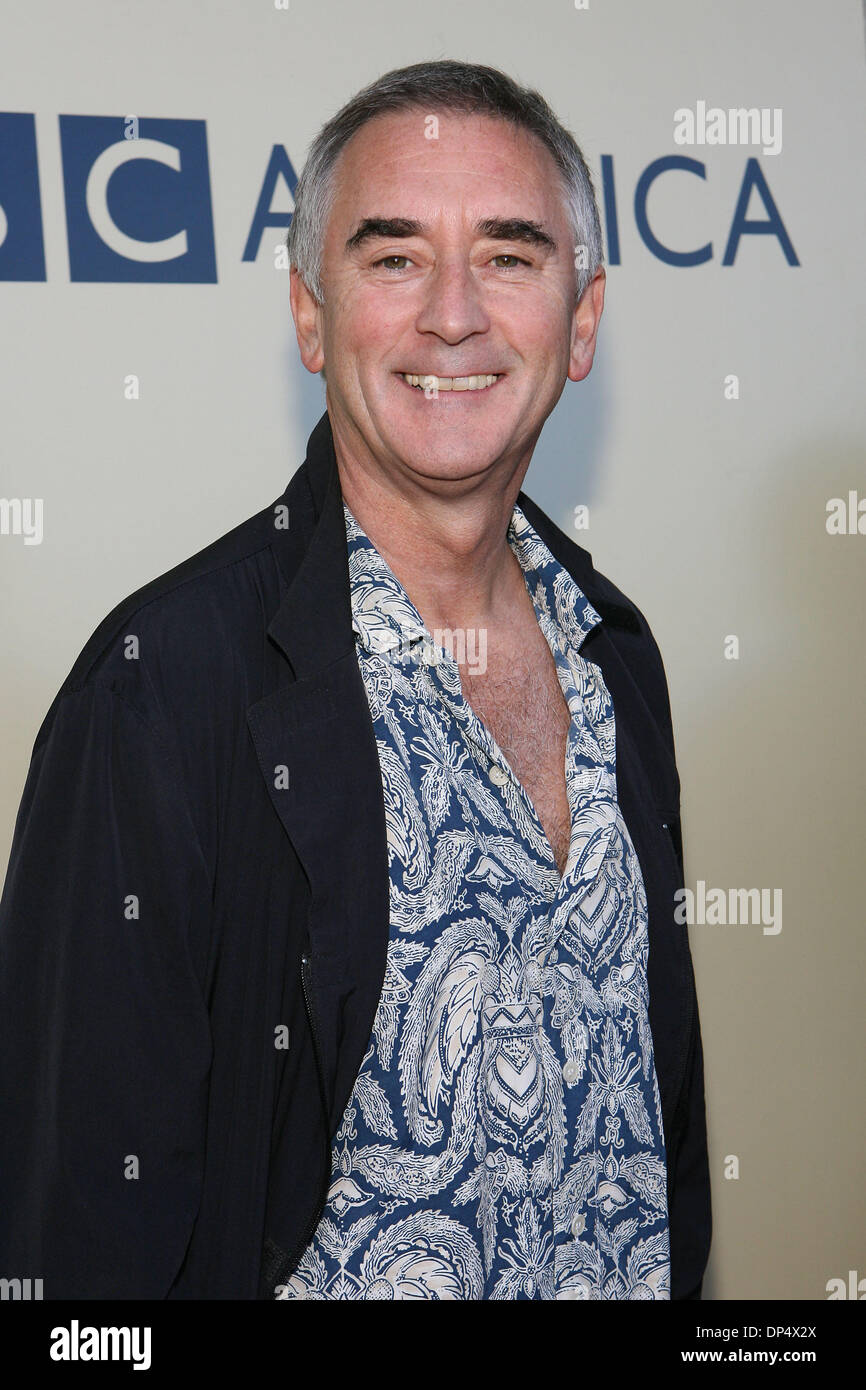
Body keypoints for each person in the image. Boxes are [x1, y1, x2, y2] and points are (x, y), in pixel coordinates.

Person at [0, 59, 710, 1300]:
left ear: (580, 320)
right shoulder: (161, 690)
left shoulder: (614, 652)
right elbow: (79, 1247)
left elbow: (658, 1135)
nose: (452, 313)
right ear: (310, 315)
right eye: (392, 258)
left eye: (507, 254)